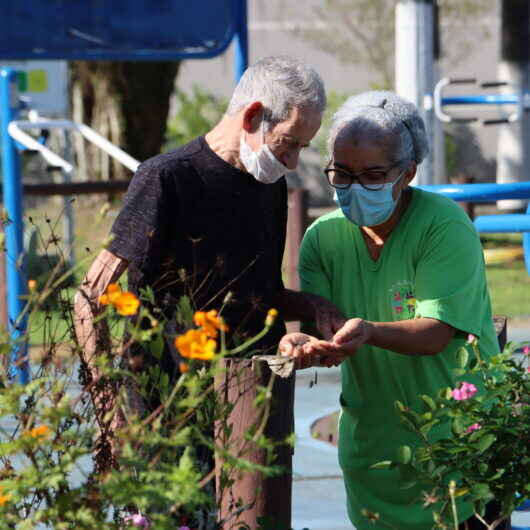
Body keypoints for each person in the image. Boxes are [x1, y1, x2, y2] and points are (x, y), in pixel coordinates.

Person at [73, 56, 344, 470]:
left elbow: (258, 294)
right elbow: (91, 297)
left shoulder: (269, 187)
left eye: (302, 148)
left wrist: (313, 309)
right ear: (253, 116)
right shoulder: (167, 178)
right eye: (288, 142)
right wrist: (112, 409)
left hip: (251, 405)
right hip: (168, 408)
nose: (292, 162)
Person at [279, 91, 505, 530]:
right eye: (341, 174)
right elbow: (322, 335)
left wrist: (368, 332)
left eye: (372, 174)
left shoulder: (444, 226)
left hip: (460, 447)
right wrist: (302, 342)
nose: (354, 186)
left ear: (408, 173)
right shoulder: (322, 239)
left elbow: (436, 333)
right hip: (373, 450)